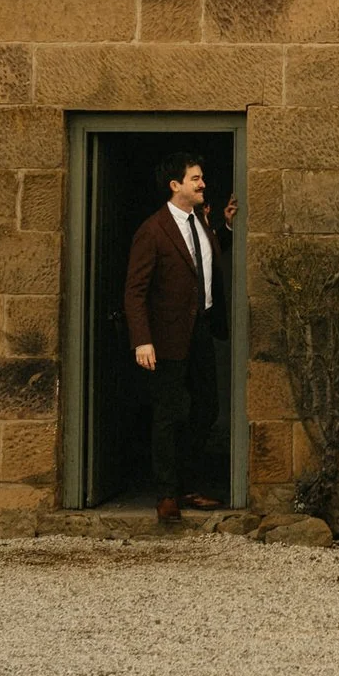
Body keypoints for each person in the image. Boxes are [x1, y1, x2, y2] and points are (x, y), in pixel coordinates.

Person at [124, 152, 236, 522]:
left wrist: (224, 229)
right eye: (195, 179)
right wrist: (142, 339)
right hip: (166, 338)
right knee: (169, 415)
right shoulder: (153, 230)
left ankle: (187, 485)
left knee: (207, 409)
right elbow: (135, 291)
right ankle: (166, 494)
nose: (203, 184)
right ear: (176, 186)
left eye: (201, 178)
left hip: (200, 330)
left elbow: (200, 263)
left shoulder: (200, 223)